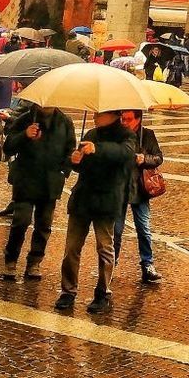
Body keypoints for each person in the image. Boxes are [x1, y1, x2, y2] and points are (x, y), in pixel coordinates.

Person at [55, 110, 136, 316]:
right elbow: (81, 167)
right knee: (71, 247)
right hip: (83, 198)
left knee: (105, 248)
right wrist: (75, 160)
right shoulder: (91, 134)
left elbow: (123, 154)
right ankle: (68, 290)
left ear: (113, 114)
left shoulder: (127, 136)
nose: (95, 116)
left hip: (107, 200)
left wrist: (97, 149)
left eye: (99, 114)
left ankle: (102, 292)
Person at [0, 99, 76, 281]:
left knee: (43, 226)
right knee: (21, 221)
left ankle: (35, 262)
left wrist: (64, 170)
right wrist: (25, 135)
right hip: (26, 179)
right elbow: (8, 147)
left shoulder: (65, 122)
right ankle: (11, 259)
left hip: (50, 182)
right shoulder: (25, 119)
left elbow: (69, 148)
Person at [112, 109, 163, 285]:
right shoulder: (117, 134)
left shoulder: (147, 135)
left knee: (144, 228)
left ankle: (147, 265)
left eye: (128, 119)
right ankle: (110, 264)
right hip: (119, 189)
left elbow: (158, 158)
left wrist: (144, 159)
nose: (124, 122)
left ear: (138, 119)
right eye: (122, 118)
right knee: (115, 231)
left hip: (140, 189)